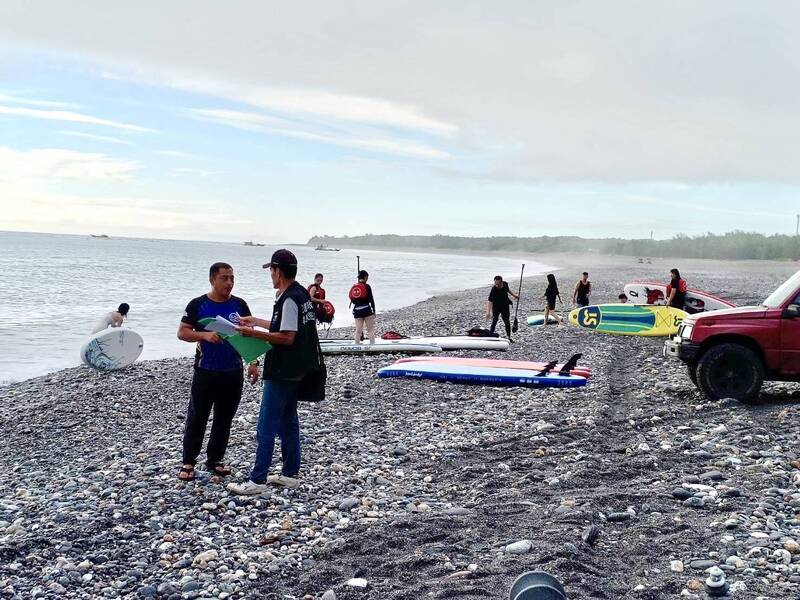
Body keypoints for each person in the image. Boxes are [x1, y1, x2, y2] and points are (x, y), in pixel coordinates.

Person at [228, 249, 321, 495]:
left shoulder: (289, 298)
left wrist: (252, 334)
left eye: (271, 270)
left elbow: (287, 337)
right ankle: (290, 473)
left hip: (283, 370)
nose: (270, 275)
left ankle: (257, 480)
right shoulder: (300, 294)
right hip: (297, 369)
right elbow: (287, 326)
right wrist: (255, 321)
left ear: (278, 271)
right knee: (288, 421)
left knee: (266, 425)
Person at [176, 263, 258, 482]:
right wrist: (204, 336)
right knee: (198, 416)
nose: (229, 283)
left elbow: (249, 335)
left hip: (232, 370)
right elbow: (182, 332)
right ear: (212, 279)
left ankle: (215, 459)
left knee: (224, 417)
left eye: (232, 278)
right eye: (224, 278)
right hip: (206, 369)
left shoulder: (239, 304)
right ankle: (189, 461)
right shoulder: (198, 304)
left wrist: (253, 362)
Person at [486, 275, 518, 341]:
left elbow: (508, 290)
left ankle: (509, 337)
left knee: (507, 322)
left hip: (505, 306)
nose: (496, 285)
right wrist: (488, 312)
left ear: (501, 282)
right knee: (494, 321)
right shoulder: (494, 289)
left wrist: (514, 295)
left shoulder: (505, 284)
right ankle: (490, 335)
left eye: (497, 284)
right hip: (496, 307)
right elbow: (490, 301)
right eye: (495, 283)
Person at [352, 270, 376, 344]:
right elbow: (371, 299)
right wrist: (374, 310)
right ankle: (372, 345)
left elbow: (353, 300)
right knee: (370, 330)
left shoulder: (355, 287)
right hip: (366, 310)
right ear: (365, 277)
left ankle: (356, 345)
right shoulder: (367, 286)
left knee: (358, 331)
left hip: (357, 311)